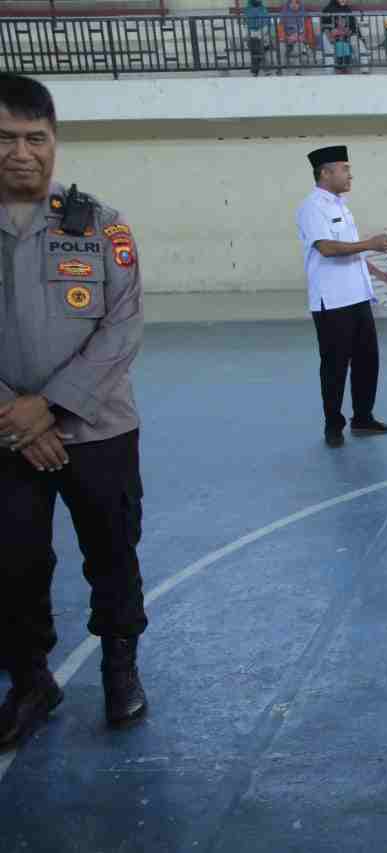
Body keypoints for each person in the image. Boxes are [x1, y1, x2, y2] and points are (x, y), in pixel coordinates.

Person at [0, 74, 150, 746]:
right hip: (5, 435)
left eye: (36, 137)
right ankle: (31, 679)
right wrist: (14, 415)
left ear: (55, 140)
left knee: (112, 549)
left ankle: (121, 666)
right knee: (12, 561)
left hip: (98, 429)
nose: (22, 152)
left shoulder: (100, 224)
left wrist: (49, 410)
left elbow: (122, 325)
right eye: (4, 138)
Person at [295, 145, 387, 448]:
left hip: (356, 297)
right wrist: (369, 243)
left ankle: (363, 418)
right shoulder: (312, 207)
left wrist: (379, 273)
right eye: (344, 168)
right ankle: (333, 425)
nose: (350, 174)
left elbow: (350, 248)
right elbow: (327, 248)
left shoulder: (341, 205)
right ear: (325, 172)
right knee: (335, 365)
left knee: (368, 360)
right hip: (332, 301)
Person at [244, 0, 273, 77]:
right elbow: (247, 23)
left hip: (262, 32)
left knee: (262, 51)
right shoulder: (248, 9)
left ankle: (264, 69)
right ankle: (256, 70)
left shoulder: (263, 9)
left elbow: (267, 22)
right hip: (252, 33)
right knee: (255, 52)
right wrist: (250, 34)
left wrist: (263, 33)